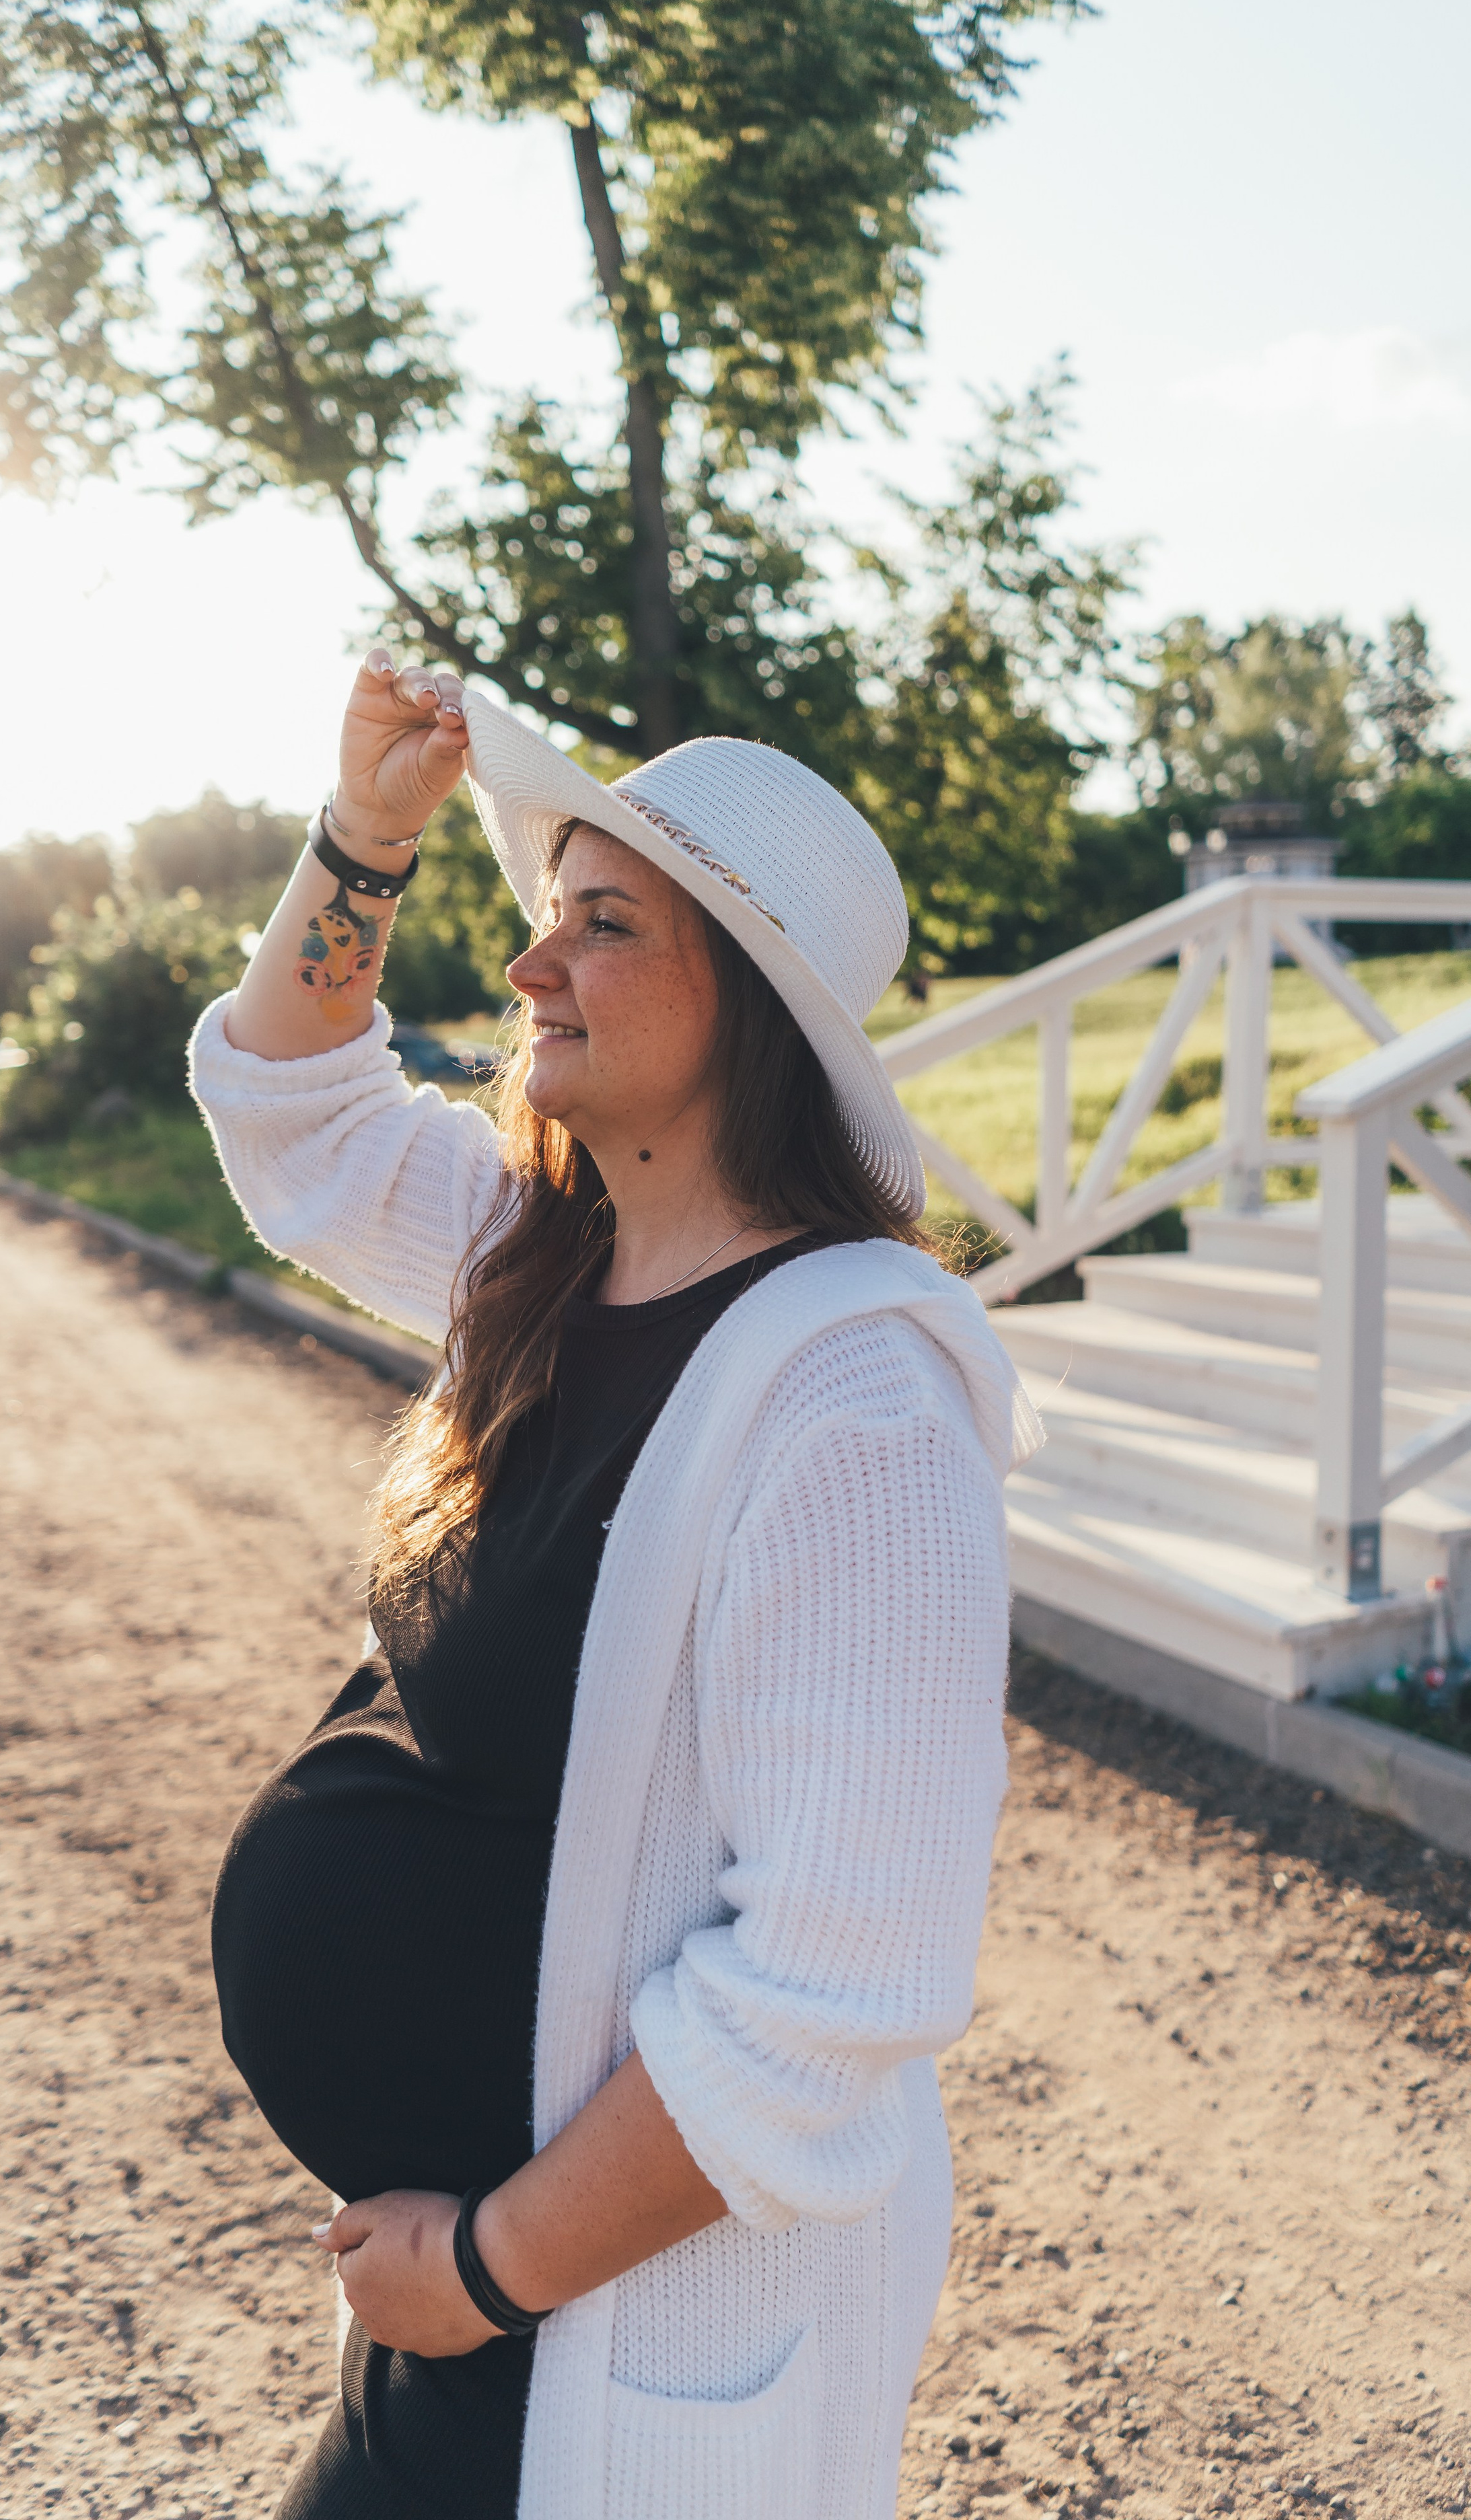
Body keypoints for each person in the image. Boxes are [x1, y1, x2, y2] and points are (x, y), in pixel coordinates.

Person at [189, 651, 1040, 2520]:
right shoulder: (551, 1258)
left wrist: (489, 2268)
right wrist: (365, 838)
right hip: (469, 2339)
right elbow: (299, 1126)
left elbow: (835, 1985)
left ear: (744, 1000)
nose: (525, 970)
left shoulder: (858, 1405)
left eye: (599, 922)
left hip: (604, 2350)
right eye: (544, 914)